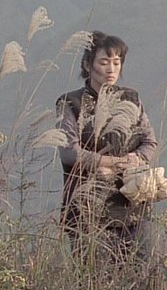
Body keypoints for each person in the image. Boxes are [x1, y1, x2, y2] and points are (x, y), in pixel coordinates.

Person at [56, 31, 159, 261]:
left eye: (117, 62)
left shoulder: (131, 99)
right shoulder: (70, 103)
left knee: (141, 269)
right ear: (87, 65)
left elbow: (149, 142)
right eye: (104, 62)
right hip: (86, 207)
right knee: (93, 273)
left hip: (133, 204)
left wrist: (136, 158)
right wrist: (113, 162)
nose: (111, 69)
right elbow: (69, 152)